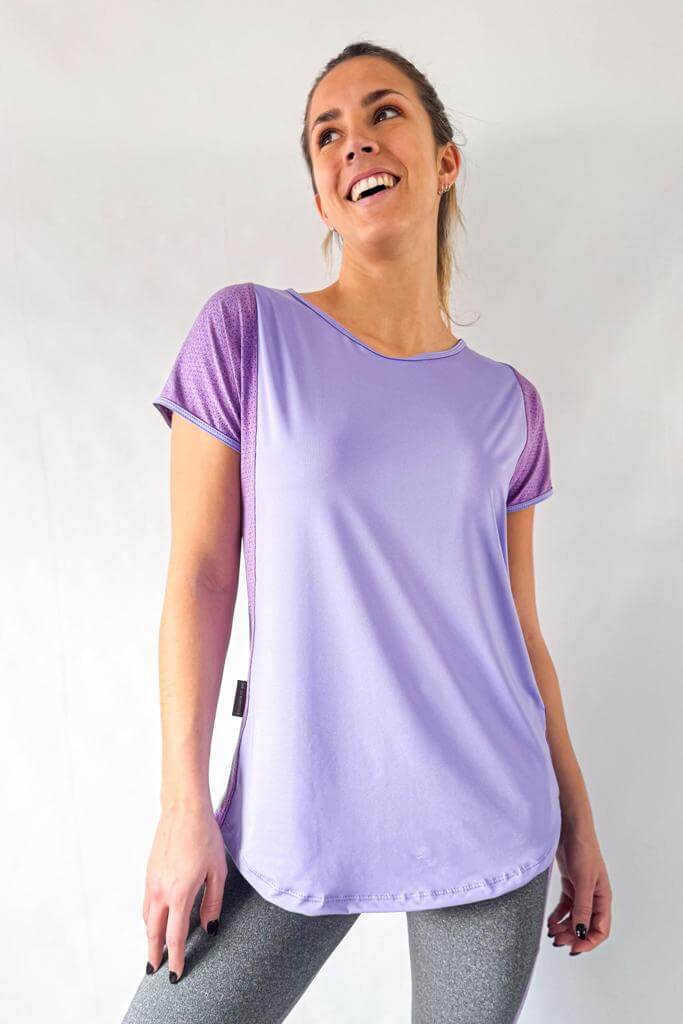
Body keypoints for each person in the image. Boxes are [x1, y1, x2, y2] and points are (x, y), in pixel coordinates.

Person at [121, 40, 612, 1024]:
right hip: (296, 810)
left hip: (488, 806)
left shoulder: (507, 405)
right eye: (326, 134)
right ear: (319, 194)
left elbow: (518, 627)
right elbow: (202, 573)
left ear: (444, 159)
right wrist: (182, 806)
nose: (355, 143)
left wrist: (577, 817)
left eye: (384, 113)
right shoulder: (246, 335)